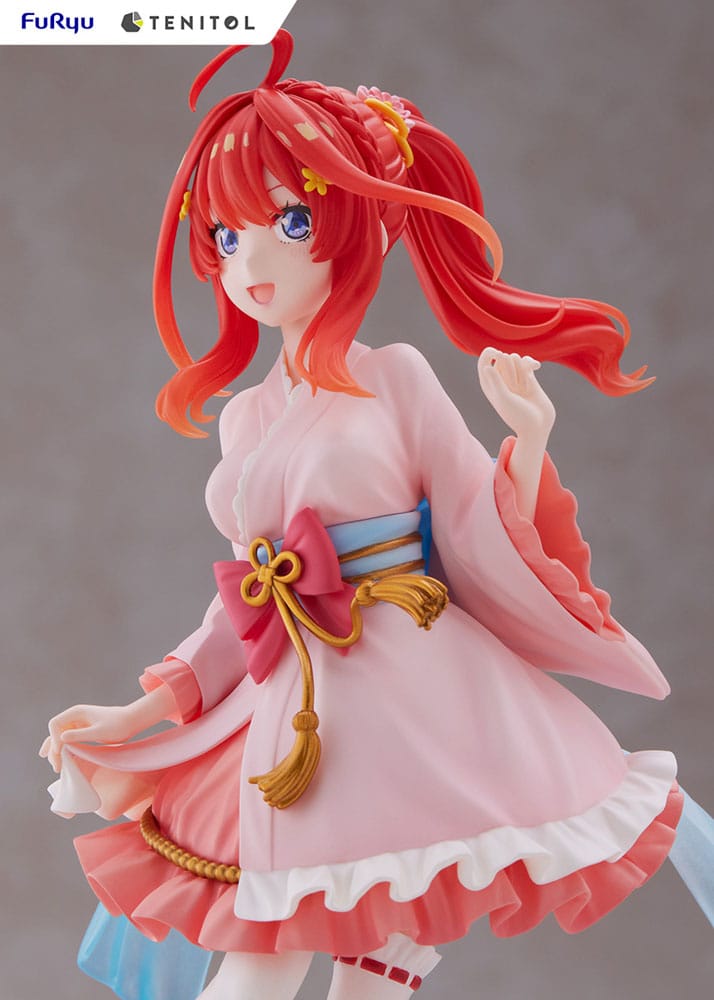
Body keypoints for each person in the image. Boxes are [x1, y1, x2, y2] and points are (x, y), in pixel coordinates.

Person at [41, 32, 684, 1000]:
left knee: (329, 946)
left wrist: (529, 441)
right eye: (226, 236)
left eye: (289, 221)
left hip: (407, 689)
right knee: (280, 941)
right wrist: (143, 710)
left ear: (360, 227)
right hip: (293, 706)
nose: (250, 261)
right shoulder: (250, 416)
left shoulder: (395, 379)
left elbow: (476, 528)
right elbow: (244, 608)